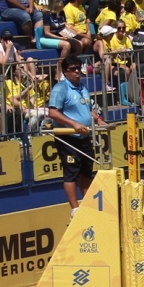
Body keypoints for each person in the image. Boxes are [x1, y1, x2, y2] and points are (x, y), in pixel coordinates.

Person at [45, 55, 104, 213]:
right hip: (68, 137)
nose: (77, 72)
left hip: (84, 136)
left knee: (86, 171)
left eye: (79, 68)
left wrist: (98, 119)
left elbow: (87, 108)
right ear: (65, 72)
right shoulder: (61, 89)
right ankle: (75, 208)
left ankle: (88, 204)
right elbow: (53, 112)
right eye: (73, 69)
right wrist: (74, 124)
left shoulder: (82, 87)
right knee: (71, 172)